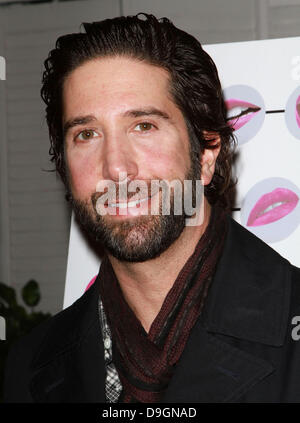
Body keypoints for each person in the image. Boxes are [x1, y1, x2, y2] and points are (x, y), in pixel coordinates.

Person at [3, 13, 300, 403]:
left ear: (207, 153)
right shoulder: (26, 368)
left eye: (143, 125)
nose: (116, 167)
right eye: (86, 134)